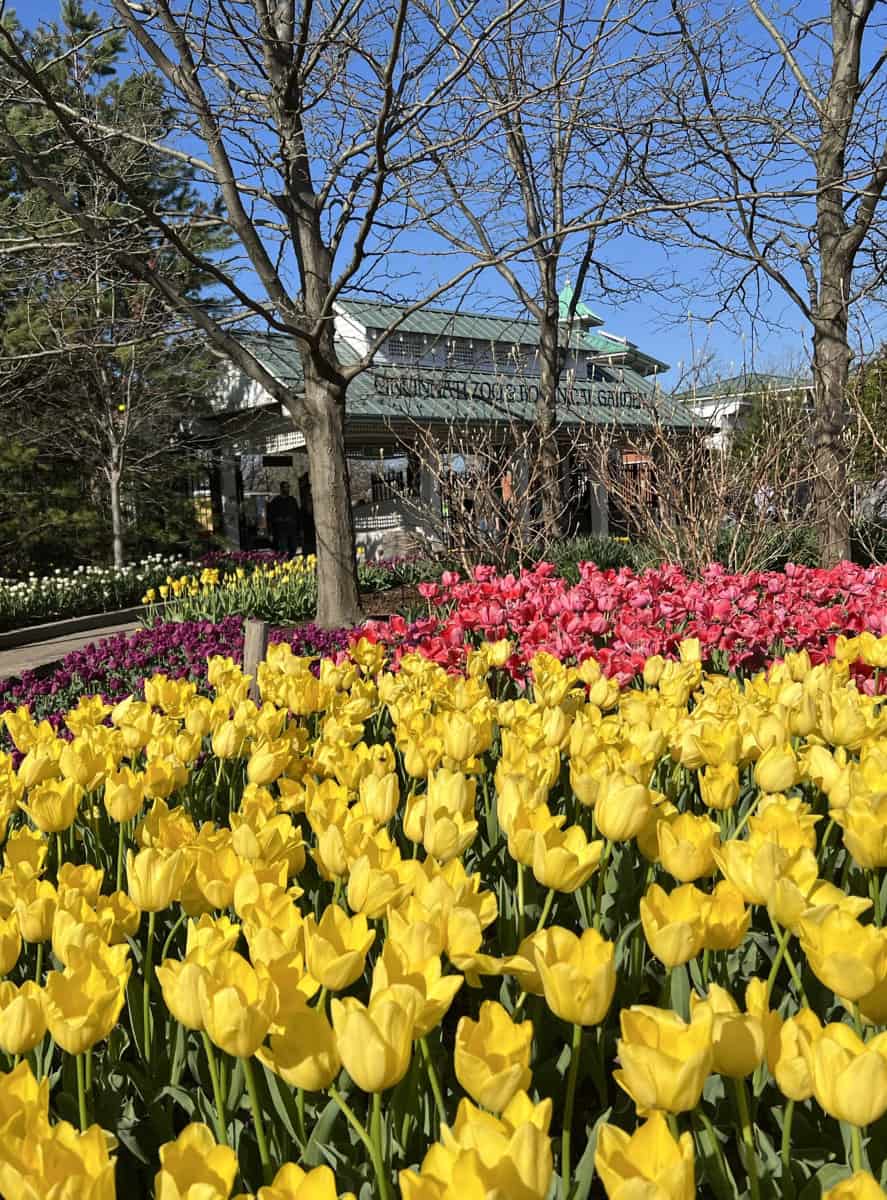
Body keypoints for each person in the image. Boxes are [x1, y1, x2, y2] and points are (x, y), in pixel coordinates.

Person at [267, 481, 301, 555]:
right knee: (283, 550)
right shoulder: (275, 501)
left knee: (293, 548)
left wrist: (299, 529)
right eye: (285, 487)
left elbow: (297, 515)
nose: (287, 489)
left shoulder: (293, 500)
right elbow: (270, 517)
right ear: (281, 488)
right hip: (281, 531)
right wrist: (271, 532)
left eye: (288, 487)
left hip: (292, 530)